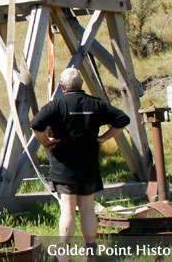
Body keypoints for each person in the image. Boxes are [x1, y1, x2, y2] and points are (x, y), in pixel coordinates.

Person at [30, 68, 129, 257]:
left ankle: (64, 253)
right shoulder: (96, 104)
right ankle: (90, 252)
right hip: (89, 165)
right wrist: (104, 138)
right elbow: (123, 120)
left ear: (62, 86)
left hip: (64, 166)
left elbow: (35, 125)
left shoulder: (57, 105)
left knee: (67, 209)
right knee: (87, 209)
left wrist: (46, 142)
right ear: (82, 84)